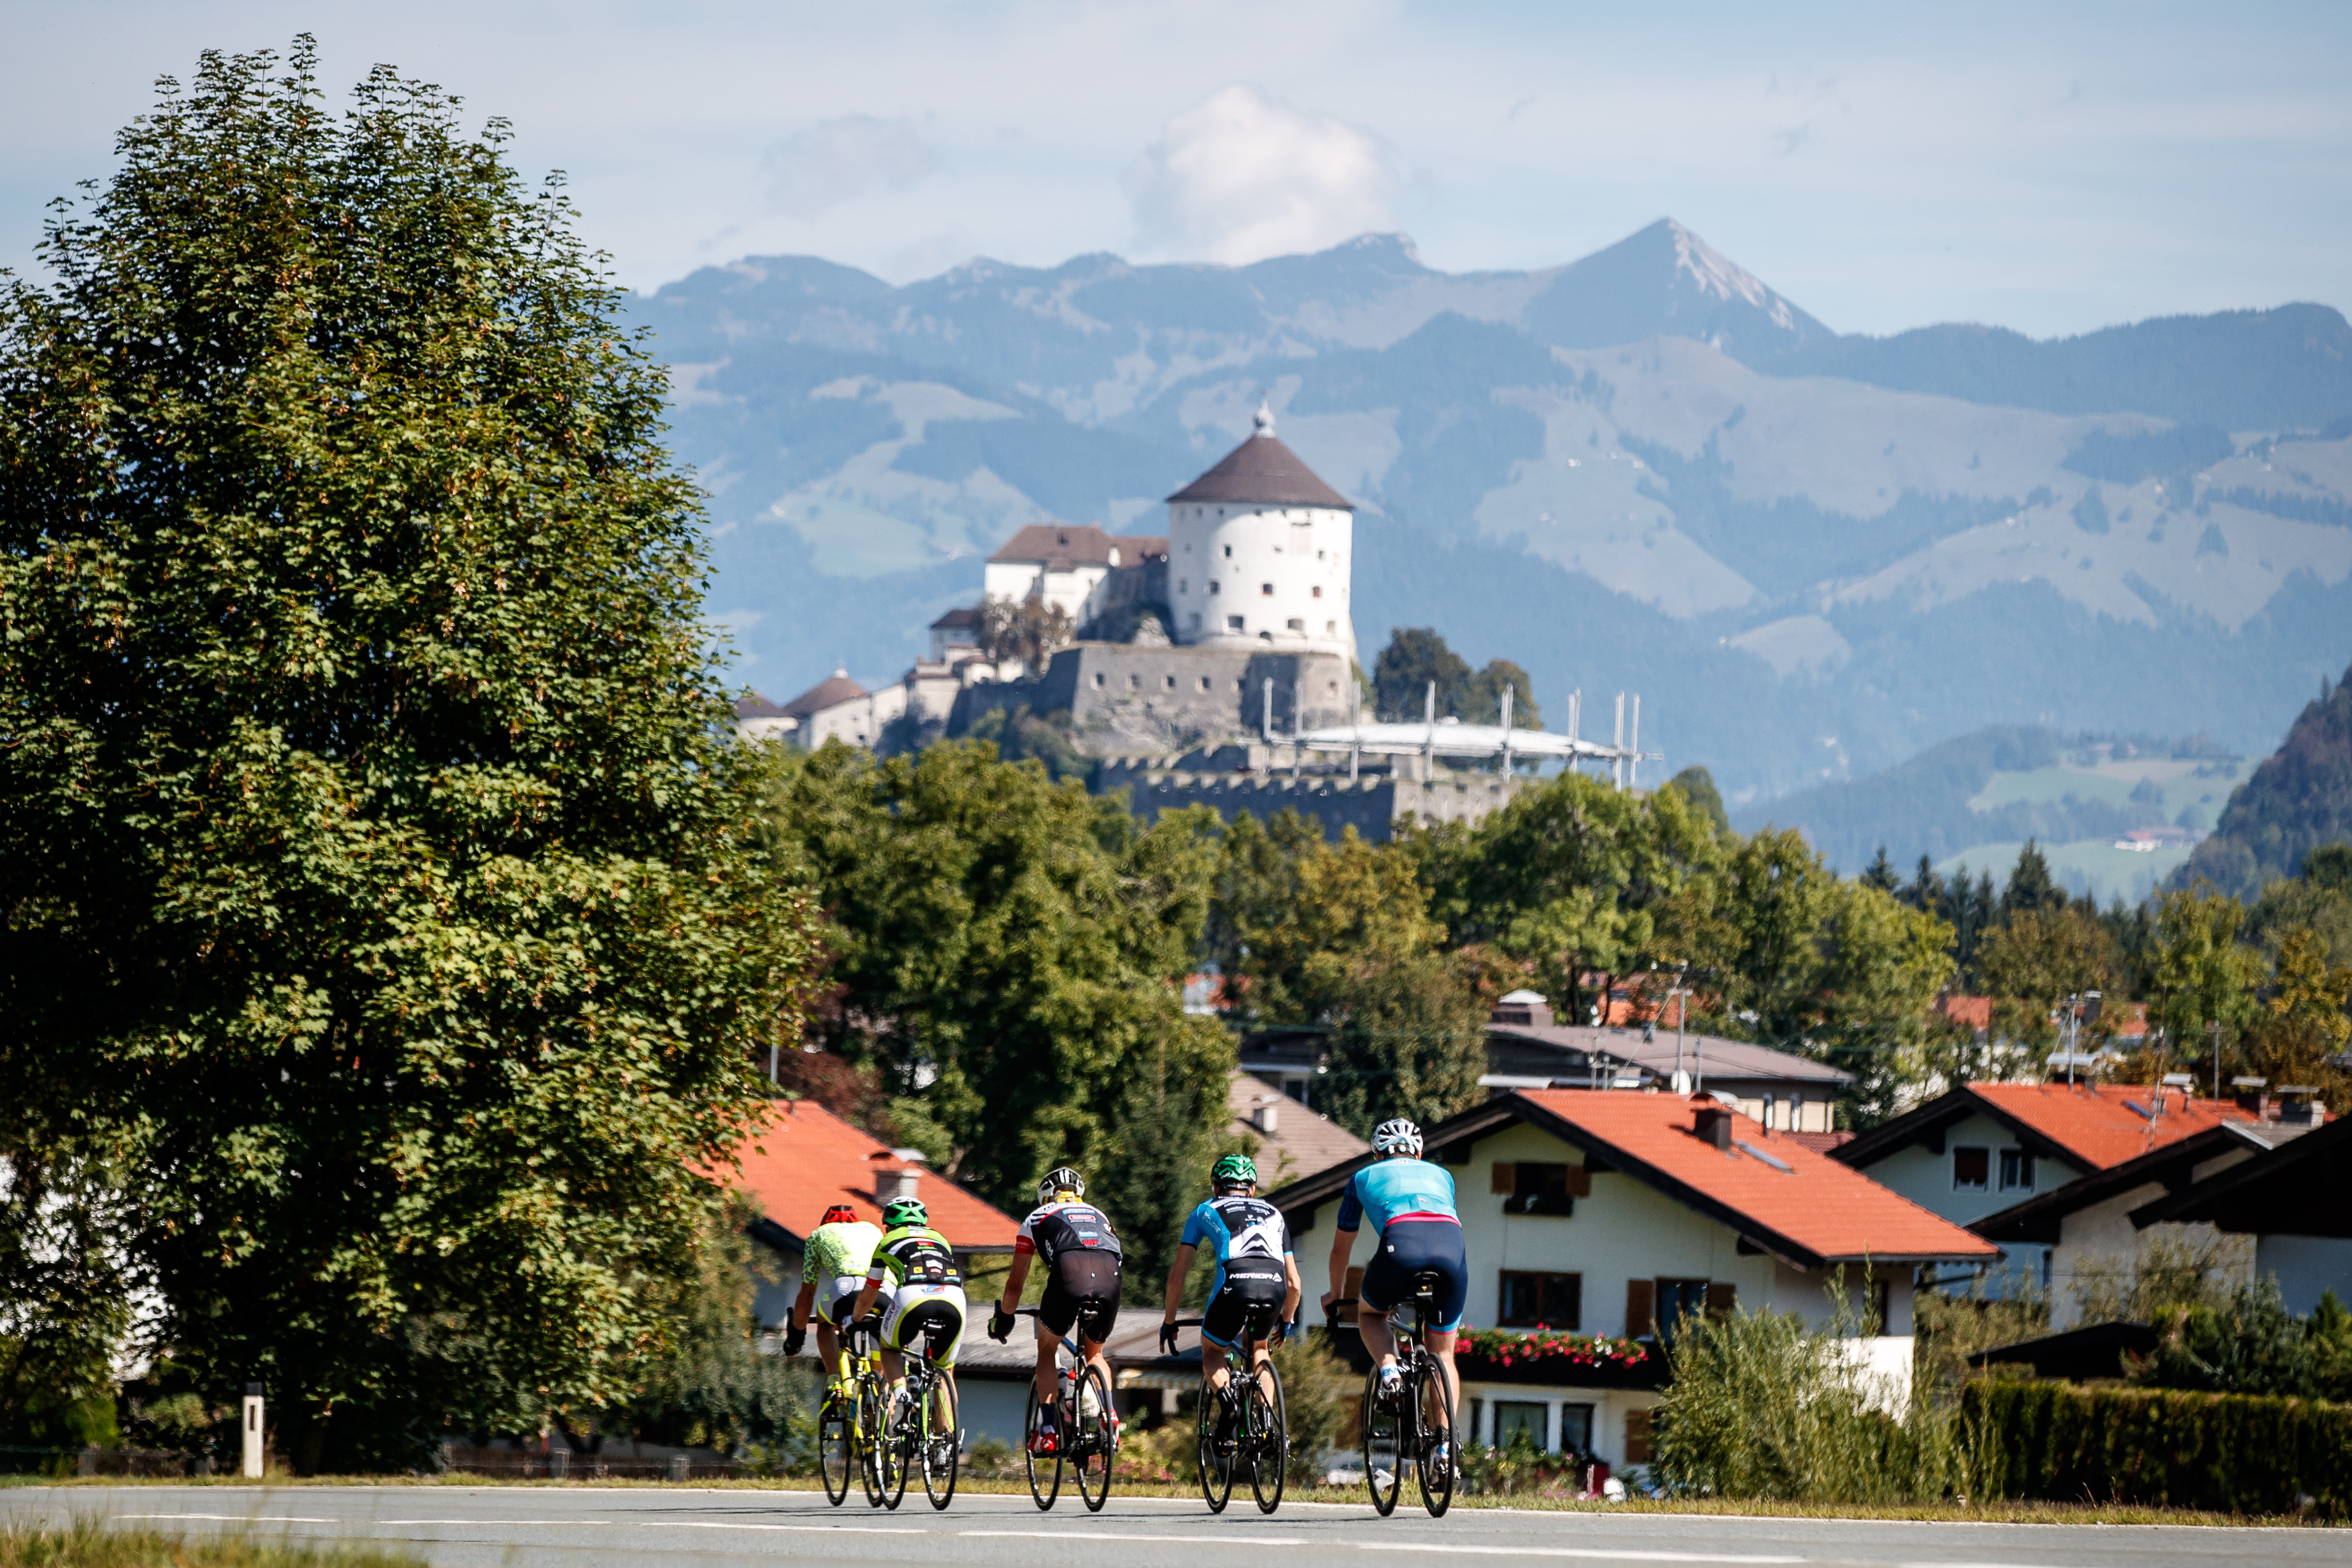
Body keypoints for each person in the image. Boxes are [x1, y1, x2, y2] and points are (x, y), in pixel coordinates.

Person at [1320, 1119, 1464, 1457]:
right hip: (1451, 1250)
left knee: (1370, 1314)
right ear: (1419, 1152)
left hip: (1401, 1246)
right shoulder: (1443, 1175)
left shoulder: (1361, 1178)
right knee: (1443, 1353)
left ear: (1376, 1154)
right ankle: (1446, 1444)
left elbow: (1342, 1247)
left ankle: (1390, 1374)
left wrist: (1335, 1293)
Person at [1158, 1154, 1301, 1447]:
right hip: (1275, 1286)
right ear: (1252, 1190)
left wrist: (1170, 1321)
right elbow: (1294, 1284)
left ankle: (1229, 1405)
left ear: (1215, 1188)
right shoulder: (1275, 1214)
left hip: (1236, 1283)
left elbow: (1177, 1277)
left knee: (1212, 1351)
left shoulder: (1205, 1210)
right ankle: (1266, 1421)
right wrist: (1286, 1321)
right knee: (1259, 1348)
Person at [987, 1166, 1120, 1455]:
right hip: (1111, 1279)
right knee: (1094, 1353)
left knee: (1047, 1351)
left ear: (1045, 1197)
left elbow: (1014, 1286)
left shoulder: (1036, 1217)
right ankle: (1109, 1415)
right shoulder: (1099, 1214)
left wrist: (1005, 1317)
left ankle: (1048, 1432)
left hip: (1069, 1277)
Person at [849, 1197, 966, 1418]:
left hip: (913, 1294)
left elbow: (870, 1292)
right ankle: (946, 1447)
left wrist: (856, 1319)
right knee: (945, 1372)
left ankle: (902, 1395)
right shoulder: (940, 1238)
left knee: (890, 1348)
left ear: (888, 1226)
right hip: (955, 1297)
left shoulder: (887, 1241)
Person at [783, 1202, 882, 1392]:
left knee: (825, 1322)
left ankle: (834, 1382)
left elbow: (806, 1296)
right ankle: (881, 1387)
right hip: (884, 1288)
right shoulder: (873, 1229)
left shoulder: (819, 1235)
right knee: (881, 1325)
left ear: (825, 1223)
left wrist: (796, 1337)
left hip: (847, 1287)